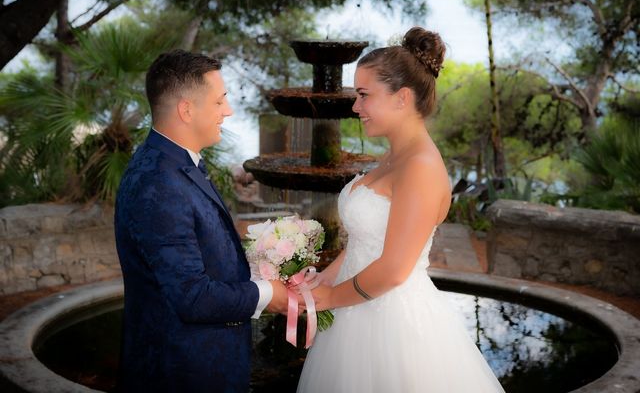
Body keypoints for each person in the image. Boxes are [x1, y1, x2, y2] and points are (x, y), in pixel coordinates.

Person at [297, 27, 505, 392]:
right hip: (356, 304)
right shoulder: (396, 155)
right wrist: (325, 278)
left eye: (364, 95)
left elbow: (393, 270)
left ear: (401, 98)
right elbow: (369, 237)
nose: (355, 106)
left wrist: (330, 298)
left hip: (391, 323)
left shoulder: (420, 167)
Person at [114, 50, 289, 392]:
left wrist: (255, 269)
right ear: (186, 109)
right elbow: (191, 297)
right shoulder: (160, 183)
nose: (229, 110)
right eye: (220, 101)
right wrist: (269, 293)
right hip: (183, 372)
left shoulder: (173, 162)